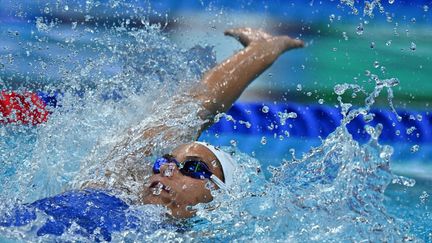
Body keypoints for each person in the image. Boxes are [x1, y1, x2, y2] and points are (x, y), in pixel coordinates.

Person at [0, 28, 303, 240]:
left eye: (194, 168)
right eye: (163, 162)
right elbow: (188, 108)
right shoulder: (108, 192)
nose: (169, 169)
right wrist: (261, 52)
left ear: (218, 201)